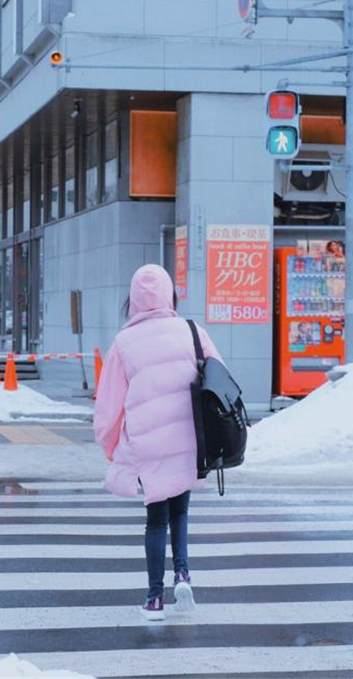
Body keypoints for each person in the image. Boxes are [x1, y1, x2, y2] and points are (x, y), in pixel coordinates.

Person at [93, 264, 223, 621]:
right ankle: (183, 573)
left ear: (133, 300)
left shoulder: (123, 344)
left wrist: (111, 447)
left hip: (148, 444)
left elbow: (108, 406)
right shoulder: (193, 332)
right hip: (189, 437)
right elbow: (219, 379)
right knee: (181, 511)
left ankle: (153, 599)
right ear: (169, 295)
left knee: (156, 520)